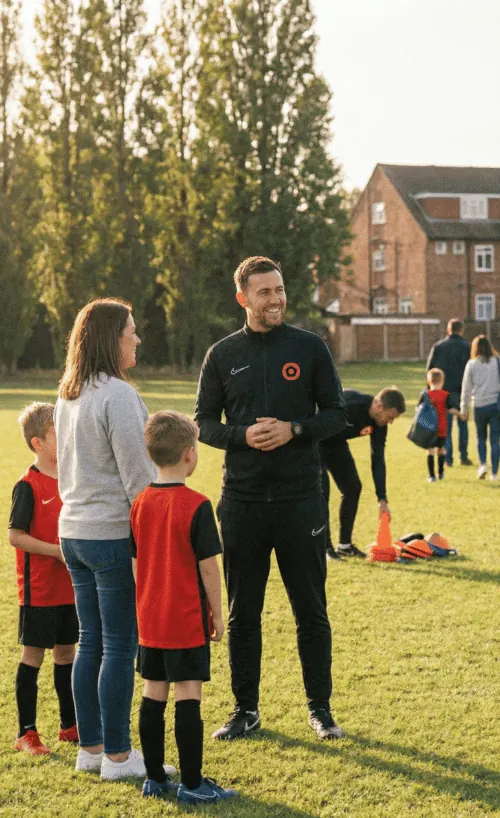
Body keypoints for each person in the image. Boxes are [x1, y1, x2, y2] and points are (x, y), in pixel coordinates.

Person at [195, 256, 347, 742]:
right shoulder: (221, 354)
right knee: (244, 612)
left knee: (311, 609)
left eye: (279, 289)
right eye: (263, 292)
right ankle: (245, 710)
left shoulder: (310, 347)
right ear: (243, 298)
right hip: (241, 501)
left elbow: (337, 415)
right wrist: (243, 437)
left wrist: (294, 429)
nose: (275, 299)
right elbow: (203, 424)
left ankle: (320, 710)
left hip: (300, 497)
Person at [55, 298, 175, 780]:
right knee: (120, 646)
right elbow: (139, 478)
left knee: (91, 643)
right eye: (131, 330)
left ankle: (92, 748)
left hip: (73, 533)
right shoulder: (118, 396)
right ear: (111, 337)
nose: (138, 338)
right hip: (108, 536)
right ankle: (120, 758)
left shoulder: (70, 392)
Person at [131, 411, 238, 804]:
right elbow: (209, 566)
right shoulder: (196, 505)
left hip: (150, 620)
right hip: (185, 619)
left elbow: (135, 563)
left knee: (153, 693)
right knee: (187, 695)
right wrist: (217, 612)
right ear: (190, 454)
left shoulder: (140, 502)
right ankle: (193, 785)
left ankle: (156, 779)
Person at [8, 402, 78, 756]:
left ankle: (69, 725)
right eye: (57, 431)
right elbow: (15, 536)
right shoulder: (28, 486)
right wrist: (54, 551)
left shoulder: (72, 478)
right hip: (40, 588)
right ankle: (27, 733)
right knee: (34, 654)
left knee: (67, 652)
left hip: (72, 586)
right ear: (38, 443)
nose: (65, 435)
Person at [320, 387, 406, 561]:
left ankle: (345, 546)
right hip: (314, 442)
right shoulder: (349, 404)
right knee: (322, 490)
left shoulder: (378, 423)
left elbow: (378, 459)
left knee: (353, 488)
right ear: (379, 405)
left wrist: (382, 499)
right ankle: (325, 547)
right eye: (390, 417)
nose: (390, 422)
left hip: (336, 443)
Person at [426, 318, 472, 466]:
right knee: (463, 424)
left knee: (445, 426)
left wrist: (430, 391)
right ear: (461, 330)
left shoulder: (438, 346)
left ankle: (448, 458)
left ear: (448, 330)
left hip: (442, 392)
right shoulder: (468, 347)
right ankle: (463, 457)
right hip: (462, 390)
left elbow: (430, 369)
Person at [460, 335, 500, 481]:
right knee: (495, 440)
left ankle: (483, 465)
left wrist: (464, 408)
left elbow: (466, 388)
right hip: (495, 405)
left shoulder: (471, 364)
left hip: (479, 405)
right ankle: (495, 473)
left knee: (480, 437)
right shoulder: (497, 361)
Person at [420, 369, 460, 483]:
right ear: (442, 381)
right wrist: (460, 414)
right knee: (441, 449)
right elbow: (451, 409)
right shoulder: (445, 395)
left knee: (430, 450)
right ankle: (441, 473)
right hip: (442, 427)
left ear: (429, 382)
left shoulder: (425, 395)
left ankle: (432, 476)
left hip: (429, 428)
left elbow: (418, 409)